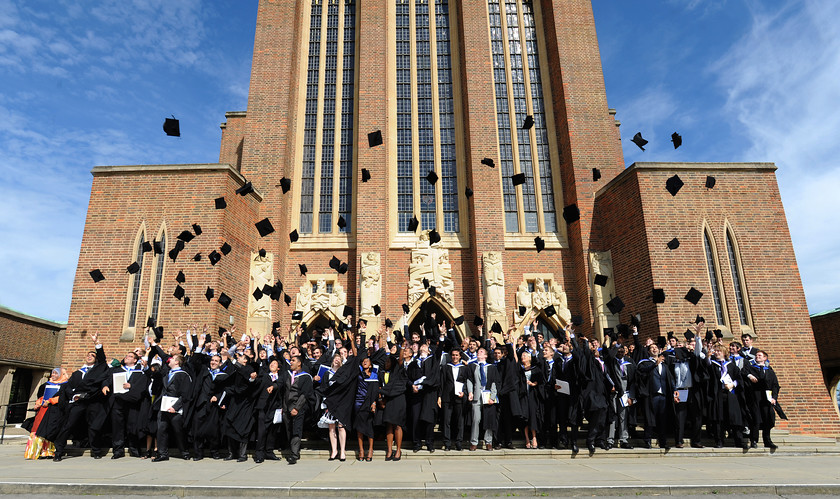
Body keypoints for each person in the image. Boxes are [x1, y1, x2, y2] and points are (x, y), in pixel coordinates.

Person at [53, 333, 109, 461]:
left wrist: (97, 344)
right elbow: (68, 387)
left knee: (94, 427)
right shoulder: (78, 373)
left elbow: (102, 359)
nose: (89, 356)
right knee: (68, 425)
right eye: (88, 355)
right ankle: (59, 451)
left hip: (92, 401)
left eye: (92, 355)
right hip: (78, 401)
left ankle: (96, 450)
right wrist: (73, 395)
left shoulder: (99, 369)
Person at [103, 349, 146, 459]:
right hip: (118, 401)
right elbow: (107, 379)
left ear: (135, 360)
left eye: (130, 356)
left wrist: (132, 386)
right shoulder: (117, 370)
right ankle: (118, 450)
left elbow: (143, 385)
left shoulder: (139, 371)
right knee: (117, 426)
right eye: (126, 355)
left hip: (132, 402)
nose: (127, 357)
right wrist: (105, 386)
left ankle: (134, 449)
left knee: (133, 426)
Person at [152, 354, 192, 461]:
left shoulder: (183, 375)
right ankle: (162, 453)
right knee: (161, 429)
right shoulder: (167, 373)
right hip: (164, 405)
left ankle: (184, 451)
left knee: (178, 430)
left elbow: (186, 394)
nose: (170, 360)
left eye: (173, 358)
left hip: (176, 406)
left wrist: (176, 407)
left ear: (177, 362)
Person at [25, 367, 69, 460]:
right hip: (43, 410)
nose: (53, 375)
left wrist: (50, 401)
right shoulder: (45, 385)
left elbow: (64, 398)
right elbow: (41, 397)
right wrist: (38, 403)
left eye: (56, 374)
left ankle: (48, 451)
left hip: (55, 410)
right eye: (52, 373)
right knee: (38, 429)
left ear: (61, 375)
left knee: (51, 429)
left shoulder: (66, 385)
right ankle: (36, 451)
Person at [743, 350, 780, 449]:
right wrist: (749, 376)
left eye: (759, 355)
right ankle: (754, 440)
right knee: (755, 419)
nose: (757, 356)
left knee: (768, 419)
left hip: (767, 398)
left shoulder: (770, 371)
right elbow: (743, 372)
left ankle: (767, 441)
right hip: (755, 397)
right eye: (756, 355)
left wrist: (774, 398)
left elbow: (775, 386)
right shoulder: (751, 368)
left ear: (765, 358)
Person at [467, 344, 499, 451]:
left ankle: (488, 441)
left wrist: (493, 396)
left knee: (489, 419)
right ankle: (474, 442)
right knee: (476, 419)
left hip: (488, 396)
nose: (478, 353)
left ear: (485, 355)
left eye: (481, 352)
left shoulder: (491, 368)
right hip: (477, 395)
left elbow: (494, 382)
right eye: (478, 352)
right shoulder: (473, 366)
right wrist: (470, 392)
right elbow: (470, 380)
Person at [284, 355, 314, 464]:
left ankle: (294, 454)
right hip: (287, 408)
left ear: (299, 363)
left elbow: (304, 395)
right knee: (289, 430)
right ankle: (293, 450)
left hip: (298, 408)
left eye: (293, 360)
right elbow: (284, 392)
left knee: (296, 430)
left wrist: (296, 408)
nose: (290, 362)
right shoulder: (288, 375)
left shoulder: (306, 377)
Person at [439, 348, 469, 451]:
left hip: (459, 398)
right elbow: (442, 383)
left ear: (460, 356)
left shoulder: (464, 368)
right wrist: (440, 396)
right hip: (447, 397)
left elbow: (466, 382)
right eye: (453, 355)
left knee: (459, 421)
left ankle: (458, 442)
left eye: (457, 355)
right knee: (446, 421)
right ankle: (447, 443)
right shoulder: (445, 367)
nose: (455, 357)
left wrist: (464, 392)